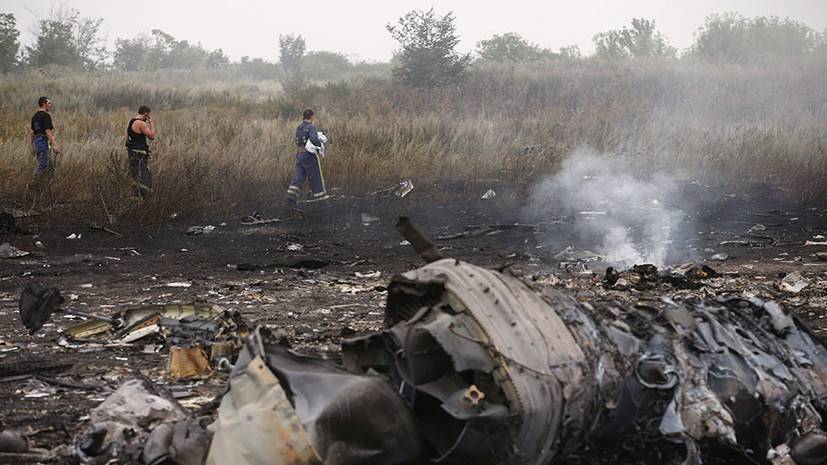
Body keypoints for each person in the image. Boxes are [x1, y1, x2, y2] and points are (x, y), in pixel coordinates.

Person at [286, 109, 328, 204]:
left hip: (299, 154)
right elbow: (314, 139)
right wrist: (319, 144)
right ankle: (321, 200)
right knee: (315, 176)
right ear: (312, 117)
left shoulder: (299, 127)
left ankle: (291, 196)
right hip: (308, 155)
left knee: (300, 175)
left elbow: (297, 140)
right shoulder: (311, 127)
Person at [125, 105, 156, 198]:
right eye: (148, 115)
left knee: (135, 174)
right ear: (146, 114)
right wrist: (151, 123)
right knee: (144, 175)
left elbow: (127, 137)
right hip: (139, 153)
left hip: (131, 151)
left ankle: (136, 197)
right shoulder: (141, 123)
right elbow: (152, 136)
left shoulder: (132, 121)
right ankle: (145, 197)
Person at [30, 96, 59, 178]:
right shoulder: (46, 116)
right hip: (43, 142)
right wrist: (54, 145)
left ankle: (45, 186)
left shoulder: (34, 116)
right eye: (49, 103)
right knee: (43, 165)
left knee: (49, 166)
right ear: (43, 103)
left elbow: (32, 132)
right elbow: (48, 131)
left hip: (37, 143)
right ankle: (33, 183)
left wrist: (32, 145)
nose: (50, 105)